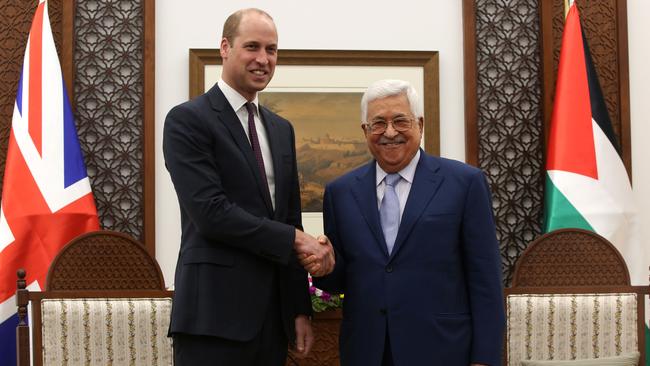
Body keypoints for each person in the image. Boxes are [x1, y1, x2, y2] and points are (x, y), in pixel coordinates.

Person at [163, 8, 334, 366]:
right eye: (252, 47)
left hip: (271, 324)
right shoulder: (187, 120)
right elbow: (211, 213)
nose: (263, 59)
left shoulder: (281, 129)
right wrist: (294, 238)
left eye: (272, 50)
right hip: (212, 320)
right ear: (225, 47)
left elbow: (290, 217)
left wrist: (299, 309)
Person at [313, 79, 505, 365]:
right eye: (378, 123)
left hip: (443, 351)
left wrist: (485, 359)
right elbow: (341, 279)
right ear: (365, 131)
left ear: (420, 124)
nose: (390, 132)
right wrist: (324, 267)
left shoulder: (465, 184)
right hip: (367, 351)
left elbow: (485, 280)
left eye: (400, 121)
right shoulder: (340, 192)